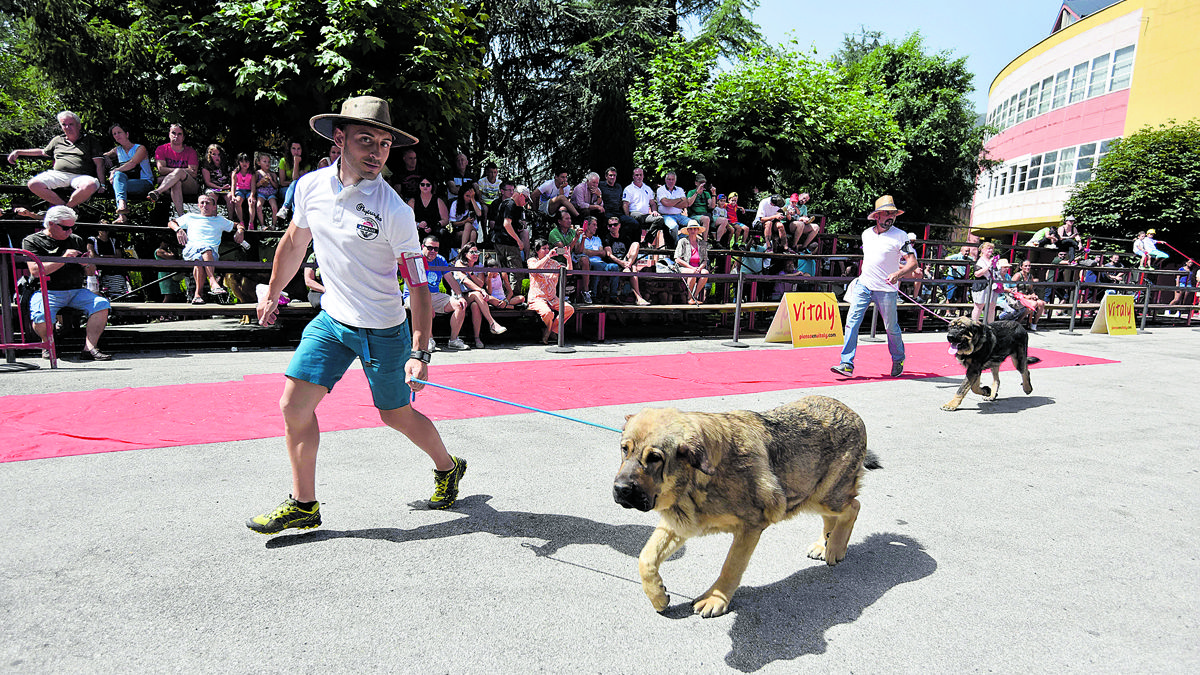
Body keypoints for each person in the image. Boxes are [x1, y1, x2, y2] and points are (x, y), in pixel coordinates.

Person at [247, 96, 466, 536]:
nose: (377, 153)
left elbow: (419, 286)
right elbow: (293, 243)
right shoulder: (310, 188)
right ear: (339, 139)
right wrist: (271, 292)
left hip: (384, 329)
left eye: (384, 144)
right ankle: (304, 503)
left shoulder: (395, 211)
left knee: (395, 414)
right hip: (331, 322)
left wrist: (421, 351)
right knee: (293, 406)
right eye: (367, 140)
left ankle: (448, 466)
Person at [831, 196, 917, 378]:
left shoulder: (901, 236)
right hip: (864, 284)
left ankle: (898, 358)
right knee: (852, 322)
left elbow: (913, 263)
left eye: (893, 214)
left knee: (891, 327)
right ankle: (846, 363)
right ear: (877, 216)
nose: (890, 217)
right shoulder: (866, 234)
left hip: (886, 289)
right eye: (887, 213)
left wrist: (897, 274)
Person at [20, 206, 112, 360]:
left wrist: (86, 264)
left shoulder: (76, 239)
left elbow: (90, 272)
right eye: (65, 228)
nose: (70, 231)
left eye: (72, 227)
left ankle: (89, 349)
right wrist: (63, 259)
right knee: (41, 314)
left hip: (76, 290)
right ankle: (47, 344)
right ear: (50, 224)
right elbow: (35, 271)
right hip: (46, 290)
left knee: (102, 305)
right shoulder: (32, 241)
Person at [7, 111, 106, 209]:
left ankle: (67, 208)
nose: (67, 127)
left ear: (79, 126)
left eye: (71, 124)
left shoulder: (90, 140)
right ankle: (65, 207)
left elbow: (99, 164)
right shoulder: (57, 140)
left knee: (91, 185)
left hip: (81, 176)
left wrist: (102, 184)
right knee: (33, 184)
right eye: (64, 124)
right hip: (59, 174)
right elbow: (43, 152)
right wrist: (19, 152)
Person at [168, 192, 244, 304]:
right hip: (191, 250)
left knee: (199, 259)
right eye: (202, 203)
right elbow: (171, 222)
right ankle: (213, 281)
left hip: (209, 256)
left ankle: (198, 295)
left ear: (214, 207)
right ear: (198, 206)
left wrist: (240, 231)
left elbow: (238, 224)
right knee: (205, 249)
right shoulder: (190, 217)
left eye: (207, 203)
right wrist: (178, 230)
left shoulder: (220, 220)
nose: (204, 205)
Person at [409, 235, 471, 350]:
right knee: (425, 307)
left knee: (460, 305)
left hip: (435, 295)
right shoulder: (416, 259)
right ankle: (428, 340)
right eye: (429, 248)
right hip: (415, 294)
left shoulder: (441, 260)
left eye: (436, 249)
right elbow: (415, 285)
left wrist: (460, 296)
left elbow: (451, 280)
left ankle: (454, 340)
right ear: (422, 246)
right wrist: (427, 303)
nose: (433, 251)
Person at [451, 245, 508, 348]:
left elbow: (480, 283)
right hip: (459, 296)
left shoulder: (479, 266)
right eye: (472, 252)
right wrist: (481, 290)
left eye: (477, 252)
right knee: (478, 294)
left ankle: (477, 338)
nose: (475, 255)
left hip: (474, 296)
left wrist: (471, 273)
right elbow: (465, 281)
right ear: (465, 254)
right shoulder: (459, 263)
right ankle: (492, 323)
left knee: (475, 306)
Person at [527, 237, 575, 344]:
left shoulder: (554, 263)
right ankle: (549, 332)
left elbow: (569, 272)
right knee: (548, 313)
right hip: (537, 298)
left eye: (548, 248)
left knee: (569, 309)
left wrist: (568, 258)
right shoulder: (532, 261)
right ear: (537, 250)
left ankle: (551, 330)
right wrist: (548, 256)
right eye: (544, 249)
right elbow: (534, 270)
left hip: (552, 298)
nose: (548, 251)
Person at [104, 123, 154, 223]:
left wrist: (114, 171)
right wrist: (106, 157)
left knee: (117, 177)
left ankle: (122, 214)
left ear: (127, 134)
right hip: (125, 184)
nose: (117, 135)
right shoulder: (117, 150)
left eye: (119, 132)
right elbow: (103, 155)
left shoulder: (140, 148)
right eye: (114, 134)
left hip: (144, 183)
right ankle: (122, 210)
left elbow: (132, 163)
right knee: (118, 177)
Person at [148, 123, 200, 217]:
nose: (176, 136)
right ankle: (181, 217)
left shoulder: (191, 151)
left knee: (179, 172)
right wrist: (181, 173)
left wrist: (178, 172)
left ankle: (157, 192)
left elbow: (193, 173)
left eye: (179, 134)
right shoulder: (162, 149)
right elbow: (161, 170)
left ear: (183, 137)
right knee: (176, 182)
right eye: (173, 133)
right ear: (169, 134)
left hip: (189, 185)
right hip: (170, 186)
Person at [600, 215, 652, 306]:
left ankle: (639, 298)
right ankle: (639, 298)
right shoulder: (607, 238)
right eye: (610, 225)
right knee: (633, 269)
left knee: (636, 244)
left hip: (626, 262)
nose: (613, 227)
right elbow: (609, 255)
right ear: (608, 227)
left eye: (615, 225)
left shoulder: (625, 237)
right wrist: (623, 264)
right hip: (615, 263)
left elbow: (630, 252)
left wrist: (628, 264)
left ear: (619, 225)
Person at [490, 180, 527, 289]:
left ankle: (505, 296)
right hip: (507, 242)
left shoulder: (511, 205)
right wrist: (519, 241)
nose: (526, 202)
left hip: (500, 241)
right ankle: (514, 297)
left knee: (504, 271)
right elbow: (507, 224)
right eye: (525, 199)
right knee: (516, 271)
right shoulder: (510, 204)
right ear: (520, 195)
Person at [548, 208, 590, 302]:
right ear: (559, 221)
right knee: (563, 267)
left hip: (570, 260)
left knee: (585, 260)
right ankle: (563, 296)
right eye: (566, 219)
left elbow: (578, 251)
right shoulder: (554, 233)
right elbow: (563, 251)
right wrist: (575, 238)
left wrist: (582, 239)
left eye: (570, 219)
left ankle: (586, 291)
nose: (569, 221)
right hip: (557, 260)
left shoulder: (572, 232)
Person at [623, 167, 665, 247]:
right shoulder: (628, 189)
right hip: (634, 214)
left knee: (659, 219)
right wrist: (627, 217)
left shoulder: (647, 189)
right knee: (638, 215)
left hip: (646, 215)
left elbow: (653, 203)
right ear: (633, 176)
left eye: (640, 175)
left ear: (643, 176)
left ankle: (647, 241)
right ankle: (636, 243)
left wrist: (654, 211)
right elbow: (625, 204)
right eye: (637, 175)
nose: (639, 177)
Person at [581, 215, 620, 302]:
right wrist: (596, 253)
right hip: (589, 263)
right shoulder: (580, 237)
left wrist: (590, 252)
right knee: (597, 266)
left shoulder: (597, 239)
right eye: (594, 225)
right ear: (587, 226)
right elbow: (583, 251)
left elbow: (603, 253)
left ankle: (613, 296)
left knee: (614, 267)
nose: (596, 227)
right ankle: (593, 295)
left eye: (596, 225)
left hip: (600, 262)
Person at [408, 174, 449, 250]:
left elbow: (445, 219)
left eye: (428, 185)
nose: (425, 187)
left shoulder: (438, 201)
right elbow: (408, 220)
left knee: (443, 233)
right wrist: (418, 224)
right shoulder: (412, 201)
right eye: (422, 184)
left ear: (432, 186)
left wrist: (435, 225)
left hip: (435, 229)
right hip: (418, 229)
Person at [275, 139, 311, 223]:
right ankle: (296, 221)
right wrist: (294, 183)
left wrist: (296, 163)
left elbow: (297, 180)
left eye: (298, 149)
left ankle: (285, 208)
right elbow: (282, 182)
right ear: (290, 150)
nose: (296, 151)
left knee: (296, 191)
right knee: (295, 187)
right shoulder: (283, 161)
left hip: (299, 190)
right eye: (293, 148)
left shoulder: (306, 163)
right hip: (285, 189)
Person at [674, 221, 710, 304]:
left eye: (695, 229)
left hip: (698, 267)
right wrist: (692, 268)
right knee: (692, 272)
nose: (693, 231)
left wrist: (700, 268)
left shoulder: (702, 243)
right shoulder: (682, 241)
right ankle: (689, 298)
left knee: (706, 272)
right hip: (684, 268)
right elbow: (677, 259)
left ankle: (695, 295)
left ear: (698, 230)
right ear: (688, 231)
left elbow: (705, 260)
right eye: (691, 229)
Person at [1008, 259, 1046, 330]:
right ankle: (1018, 322)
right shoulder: (1017, 276)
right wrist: (1027, 296)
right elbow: (1012, 290)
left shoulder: (1030, 276)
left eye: (1029, 266)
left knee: (1041, 303)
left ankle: (1034, 324)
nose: (1028, 267)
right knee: (1033, 304)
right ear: (1021, 267)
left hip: (1027, 297)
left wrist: (1033, 295)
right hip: (1018, 297)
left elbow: (1030, 289)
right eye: (1025, 266)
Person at [655, 171, 690, 246]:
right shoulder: (660, 190)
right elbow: (665, 203)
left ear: (675, 180)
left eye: (672, 179)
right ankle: (677, 244)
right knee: (674, 227)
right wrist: (679, 199)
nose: (671, 181)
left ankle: (679, 239)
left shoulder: (680, 189)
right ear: (665, 180)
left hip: (679, 215)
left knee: (694, 224)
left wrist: (670, 202)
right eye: (669, 179)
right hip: (666, 216)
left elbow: (685, 204)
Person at [447, 181, 483, 253]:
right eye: (467, 196)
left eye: (471, 196)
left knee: (471, 229)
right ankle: (470, 253)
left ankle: (463, 252)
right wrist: (465, 221)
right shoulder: (455, 204)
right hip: (459, 232)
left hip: (473, 229)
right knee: (470, 229)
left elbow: (479, 214)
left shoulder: (476, 204)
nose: (469, 198)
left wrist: (473, 199)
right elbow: (453, 223)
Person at [970, 241, 1001, 323]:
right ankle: (974, 324)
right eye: (988, 248)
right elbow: (977, 274)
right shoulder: (980, 261)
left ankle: (990, 325)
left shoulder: (992, 260)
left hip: (992, 286)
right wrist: (988, 266)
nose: (990, 250)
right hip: (981, 286)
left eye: (992, 249)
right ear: (982, 250)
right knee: (979, 306)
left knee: (992, 306)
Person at [228, 152, 256, 228]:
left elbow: (253, 186)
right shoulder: (235, 173)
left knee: (251, 203)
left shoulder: (251, 173)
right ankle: (241, 221)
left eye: (246, 161)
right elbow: (233, 185)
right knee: (237, 202)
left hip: (248, 191)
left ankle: (251, 222)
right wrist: (233, 195)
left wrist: (252, 196)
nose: (244, 163)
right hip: (239, 190)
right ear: (239, 162)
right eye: (242, 161)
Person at [254, 152, 280, 229]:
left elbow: (276, 186)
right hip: (261, 193)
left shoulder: (273, 174)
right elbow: (255, 185)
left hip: (271, 194)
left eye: (268, 162)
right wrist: (261, 182)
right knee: (258, 206)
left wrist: (271, 180)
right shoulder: (257, 173)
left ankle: (274, 225)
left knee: (274, 207)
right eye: (264, 162)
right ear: (259, 163)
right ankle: (262, 225)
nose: (267, 163)